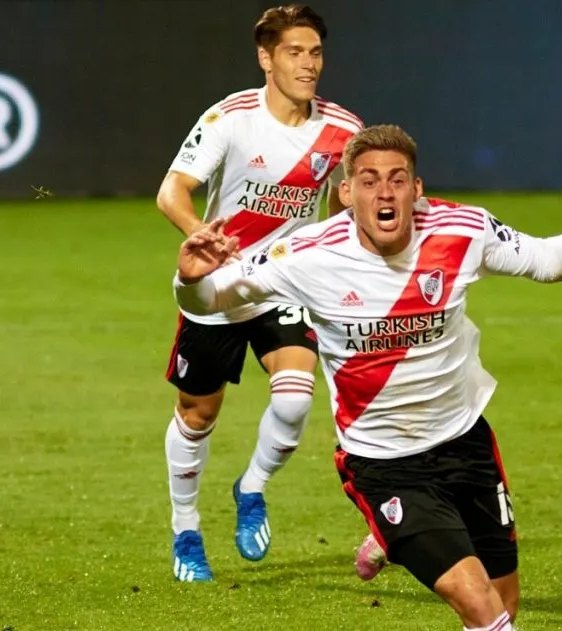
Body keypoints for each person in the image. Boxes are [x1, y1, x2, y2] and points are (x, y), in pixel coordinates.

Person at [173, 125, 562, 629]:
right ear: (346, 194)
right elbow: (211, 299)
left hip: (465, 443)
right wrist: (189, 279)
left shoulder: (462, 230)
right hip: (383, 463)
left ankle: (389, 540)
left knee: (504, 604)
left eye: (397, 179)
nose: (384, 192)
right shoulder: (307, 254)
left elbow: (543, 262)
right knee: (477, 603)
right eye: (368, 181)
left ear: (416, 189)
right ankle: (394, 529)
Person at [156, 4, 363, 582]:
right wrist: (200, 236)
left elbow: (347, 205)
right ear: (266, 58)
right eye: (295, 52)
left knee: (296, 398)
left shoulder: (344, 130)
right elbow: (172, 192)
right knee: (197, 415)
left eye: (316, 52)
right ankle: (186, 530)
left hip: (284, 282)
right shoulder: (231, 117)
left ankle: (251, 488)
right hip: (221, 286)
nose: (309, 64)